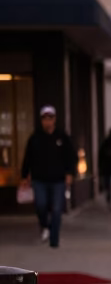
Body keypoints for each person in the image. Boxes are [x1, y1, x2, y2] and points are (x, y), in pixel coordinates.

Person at [19, 105, 75, 248]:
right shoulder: (35, 138)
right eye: (45, 119)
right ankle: (45, 226)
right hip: (39, 179)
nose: (47, 122)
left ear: (54, 119)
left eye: (50, 118)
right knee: (41, 205)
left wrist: (70, 173)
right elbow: (28, 158)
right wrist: (24, 176)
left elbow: (71, 156)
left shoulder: (62, 137)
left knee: (57, 209)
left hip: (58, 180)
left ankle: (54, 240)